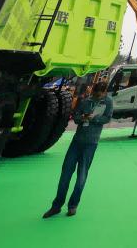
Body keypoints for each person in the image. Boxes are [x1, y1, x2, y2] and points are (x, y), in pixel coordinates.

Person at [44, 81, 113, 218]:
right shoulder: (85, 100)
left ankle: (73, 206)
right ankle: (56, 206)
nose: (97, 96)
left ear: (105, 92)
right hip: (76, 142)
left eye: (100, 94)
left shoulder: (108, 102)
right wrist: (82, 117)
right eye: (95, 94)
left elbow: (107, 118)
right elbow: (75, 117)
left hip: (91, 144)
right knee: (65, 175)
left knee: (81, 176)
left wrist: (95, 118)